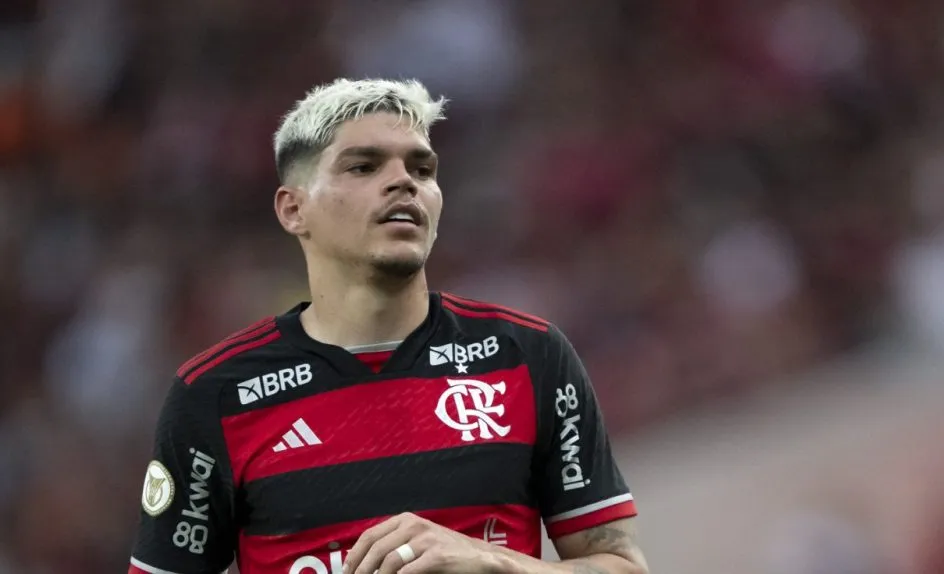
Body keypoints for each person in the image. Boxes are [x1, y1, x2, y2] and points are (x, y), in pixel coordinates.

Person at [127, 78, 648, 574]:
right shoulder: (215, 395)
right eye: (363, 166)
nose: (403, 181)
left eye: (422, 169)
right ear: (294, 209)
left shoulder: (528, 357)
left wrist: (493, 562)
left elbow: (621, 564)